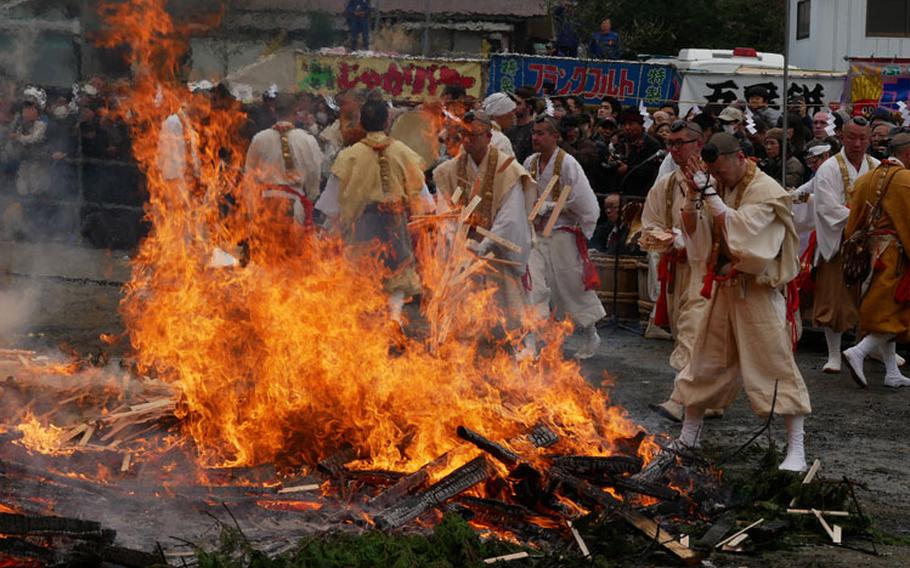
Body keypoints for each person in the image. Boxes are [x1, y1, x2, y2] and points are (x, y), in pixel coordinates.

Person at [675, 133, 811, 472]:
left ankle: (797, 448)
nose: (719, 178)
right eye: (714, 173)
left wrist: (707, 192)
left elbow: (746, 233)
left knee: (773, 364)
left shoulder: (767, 189)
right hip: (725, 286)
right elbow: (698, 231)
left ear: (740, 157)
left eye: (721, 171)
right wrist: (694, 192)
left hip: (758, 290)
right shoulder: (720, 185)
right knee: (704, 359)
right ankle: (688, 436)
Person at [316, 99, 432, 323]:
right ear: (388, 121)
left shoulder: (349, 156)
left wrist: (334, 229)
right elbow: (424, 198)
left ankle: (365, 324)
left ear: (361, 122)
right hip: (396, 222)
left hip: (363, 224)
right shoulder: (403, 152)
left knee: (363, 274)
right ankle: (395, 318)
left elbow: (331, 204)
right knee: (398, 272)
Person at [433, 111, 535, 348]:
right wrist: (456, 239)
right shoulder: (449, 170)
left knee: (505, 319)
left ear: (489, 136)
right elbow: (445, 212)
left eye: (474, 135)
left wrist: (486, 244)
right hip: (463, 252)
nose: (468, 140)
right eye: (464, 135)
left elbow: (510, 217)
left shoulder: (507, 169)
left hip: (497, 253)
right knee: (461, 320)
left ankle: (511, 361)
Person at [641, 121, 714, 422]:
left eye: (680, 142)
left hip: (709, 270)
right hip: (679, 269)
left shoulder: (716, 179)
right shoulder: (667, 184)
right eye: (670, 143)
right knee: (689, 332)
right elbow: (649, 226)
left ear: (699, 144)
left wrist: (698, 240)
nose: (674, 149)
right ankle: (710, 400)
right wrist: (672, 239)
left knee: (692, 330)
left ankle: (677, 399)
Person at [524, 116, 606, 359]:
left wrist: (552, 207)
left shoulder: (568, 164)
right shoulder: (529, 162)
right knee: (532, 285)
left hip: (562, 233)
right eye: (534, 133)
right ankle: (531, 342)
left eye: (541, 133)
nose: (535, 138)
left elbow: (587, 203)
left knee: (571, 287)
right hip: (535, 235)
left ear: (554, 136)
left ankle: (591, 334)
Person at [842, 133, 910, 388]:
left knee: (882, 310)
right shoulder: (905, 180)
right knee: (894, 311)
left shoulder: (867, 177)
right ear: (908, 154)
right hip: (894, 257)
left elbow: (852, 223)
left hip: (868, 254)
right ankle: (858, 351)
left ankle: (891, 372)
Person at [811, 117, 878, 373]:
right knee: (834, 297)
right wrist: (858, 218)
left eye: (863, 138)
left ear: (870, 138)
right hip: (839, 240)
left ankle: (872, 350)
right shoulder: (828, 168)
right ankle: (834, 354)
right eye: (852, 137)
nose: (858, 143)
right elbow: (826, 207)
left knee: (872, 295)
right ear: (842, 137)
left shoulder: (875, 166)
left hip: (870, 241)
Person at [241, 93, 324, 260]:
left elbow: (249, 177)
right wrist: (312, 195)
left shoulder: (259, 139)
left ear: (273, 111)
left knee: (266, 257)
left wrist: (250, 209)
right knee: (292, 258)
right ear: (296, 111)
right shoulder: (307, 140)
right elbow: (315, 174)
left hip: (265, 203)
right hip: (295, 204)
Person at [615, 108, 662, 198]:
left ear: (641, 125)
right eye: (624, 124)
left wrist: (628, 169)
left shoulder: (652, 144)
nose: (627, 127)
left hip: (640, 193)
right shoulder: (619, 142)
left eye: (631, 124)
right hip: (619, 191)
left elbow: (651, 170)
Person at [505, 86, 536, 163]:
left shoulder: (534, 130)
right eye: (513, 103)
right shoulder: (508, 129)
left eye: (518, 103)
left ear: (529, 107)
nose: (514, 106)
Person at [482, 92, 516, 157]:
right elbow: (511, 166)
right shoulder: (501, 140)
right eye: (510, 111)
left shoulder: (476, 134)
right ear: (500, 114)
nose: (513, 116)